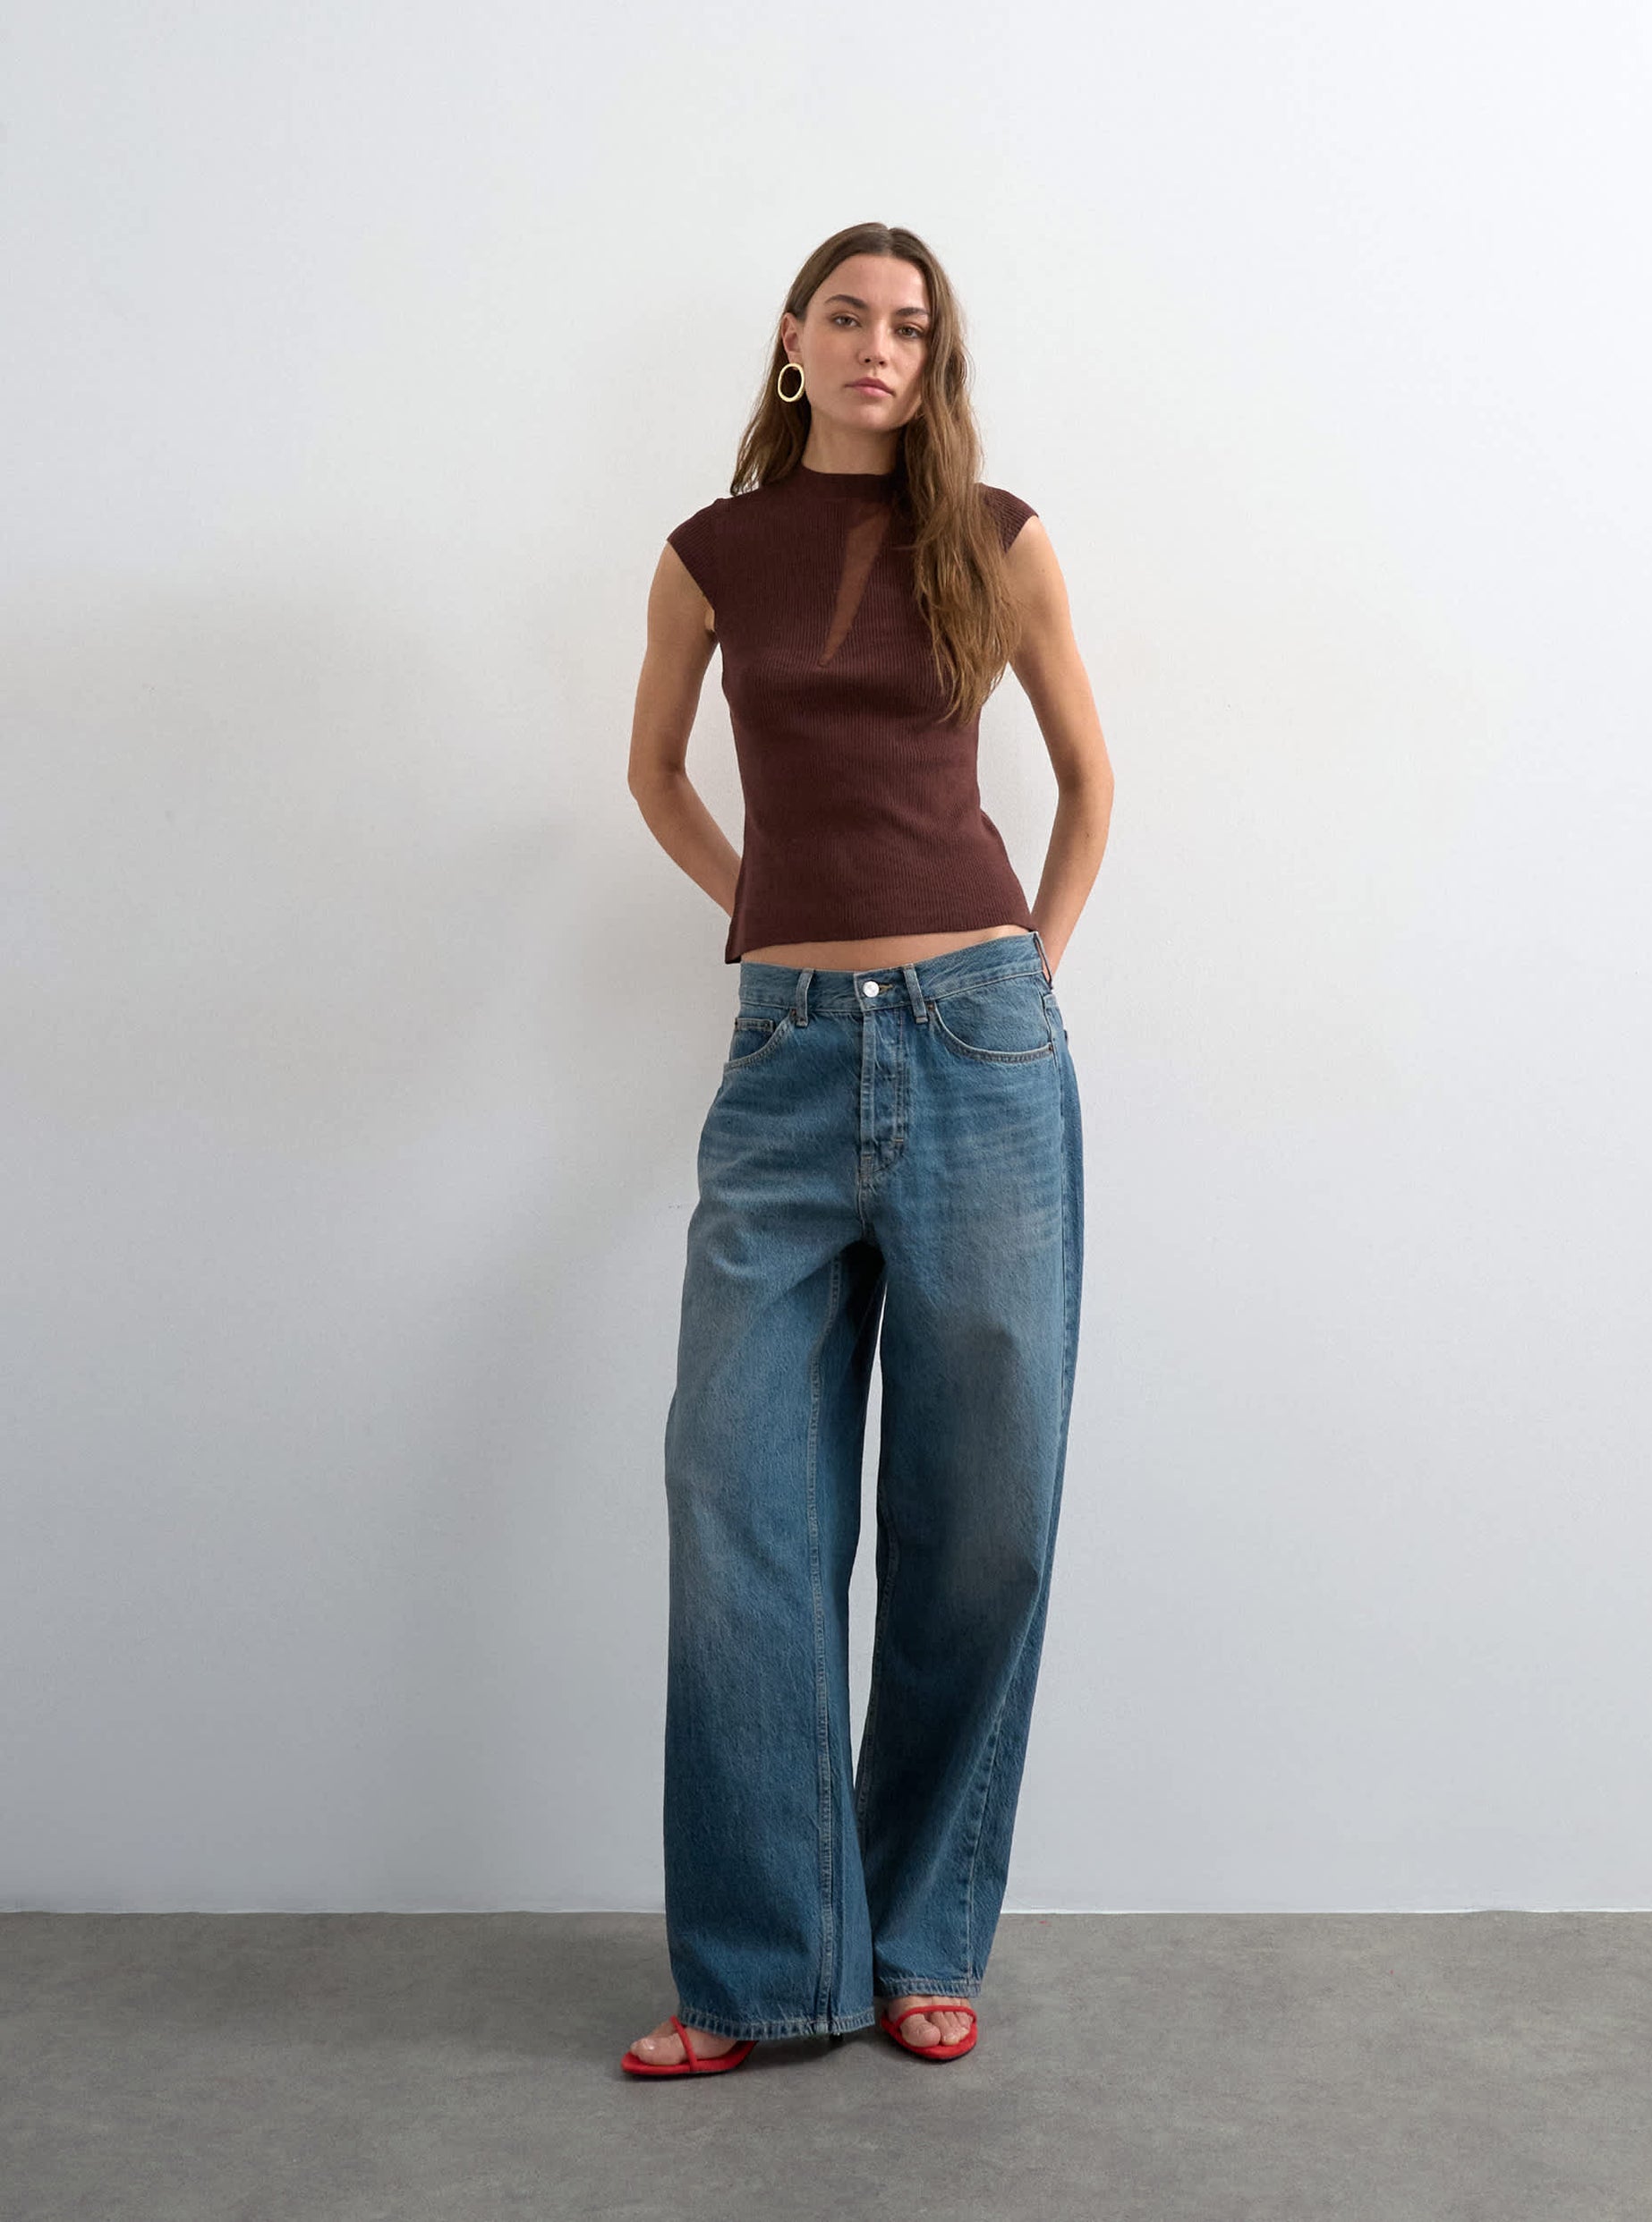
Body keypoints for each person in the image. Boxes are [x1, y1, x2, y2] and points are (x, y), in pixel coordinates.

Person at [622, 221, 1113, 2074]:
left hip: (983, 1045)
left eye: (909, 326)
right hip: (784, 1055)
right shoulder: (711, 552)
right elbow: (654, 771)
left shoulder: (994, 535)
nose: (876, 348)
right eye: (847, 316)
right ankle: (765, 1974)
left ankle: (918, 1939)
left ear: (934, 357)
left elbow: (1091, 783)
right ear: (793, 339)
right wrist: (765, 910)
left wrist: (1023, 981)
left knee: (978, 1523)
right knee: (735, 1503)